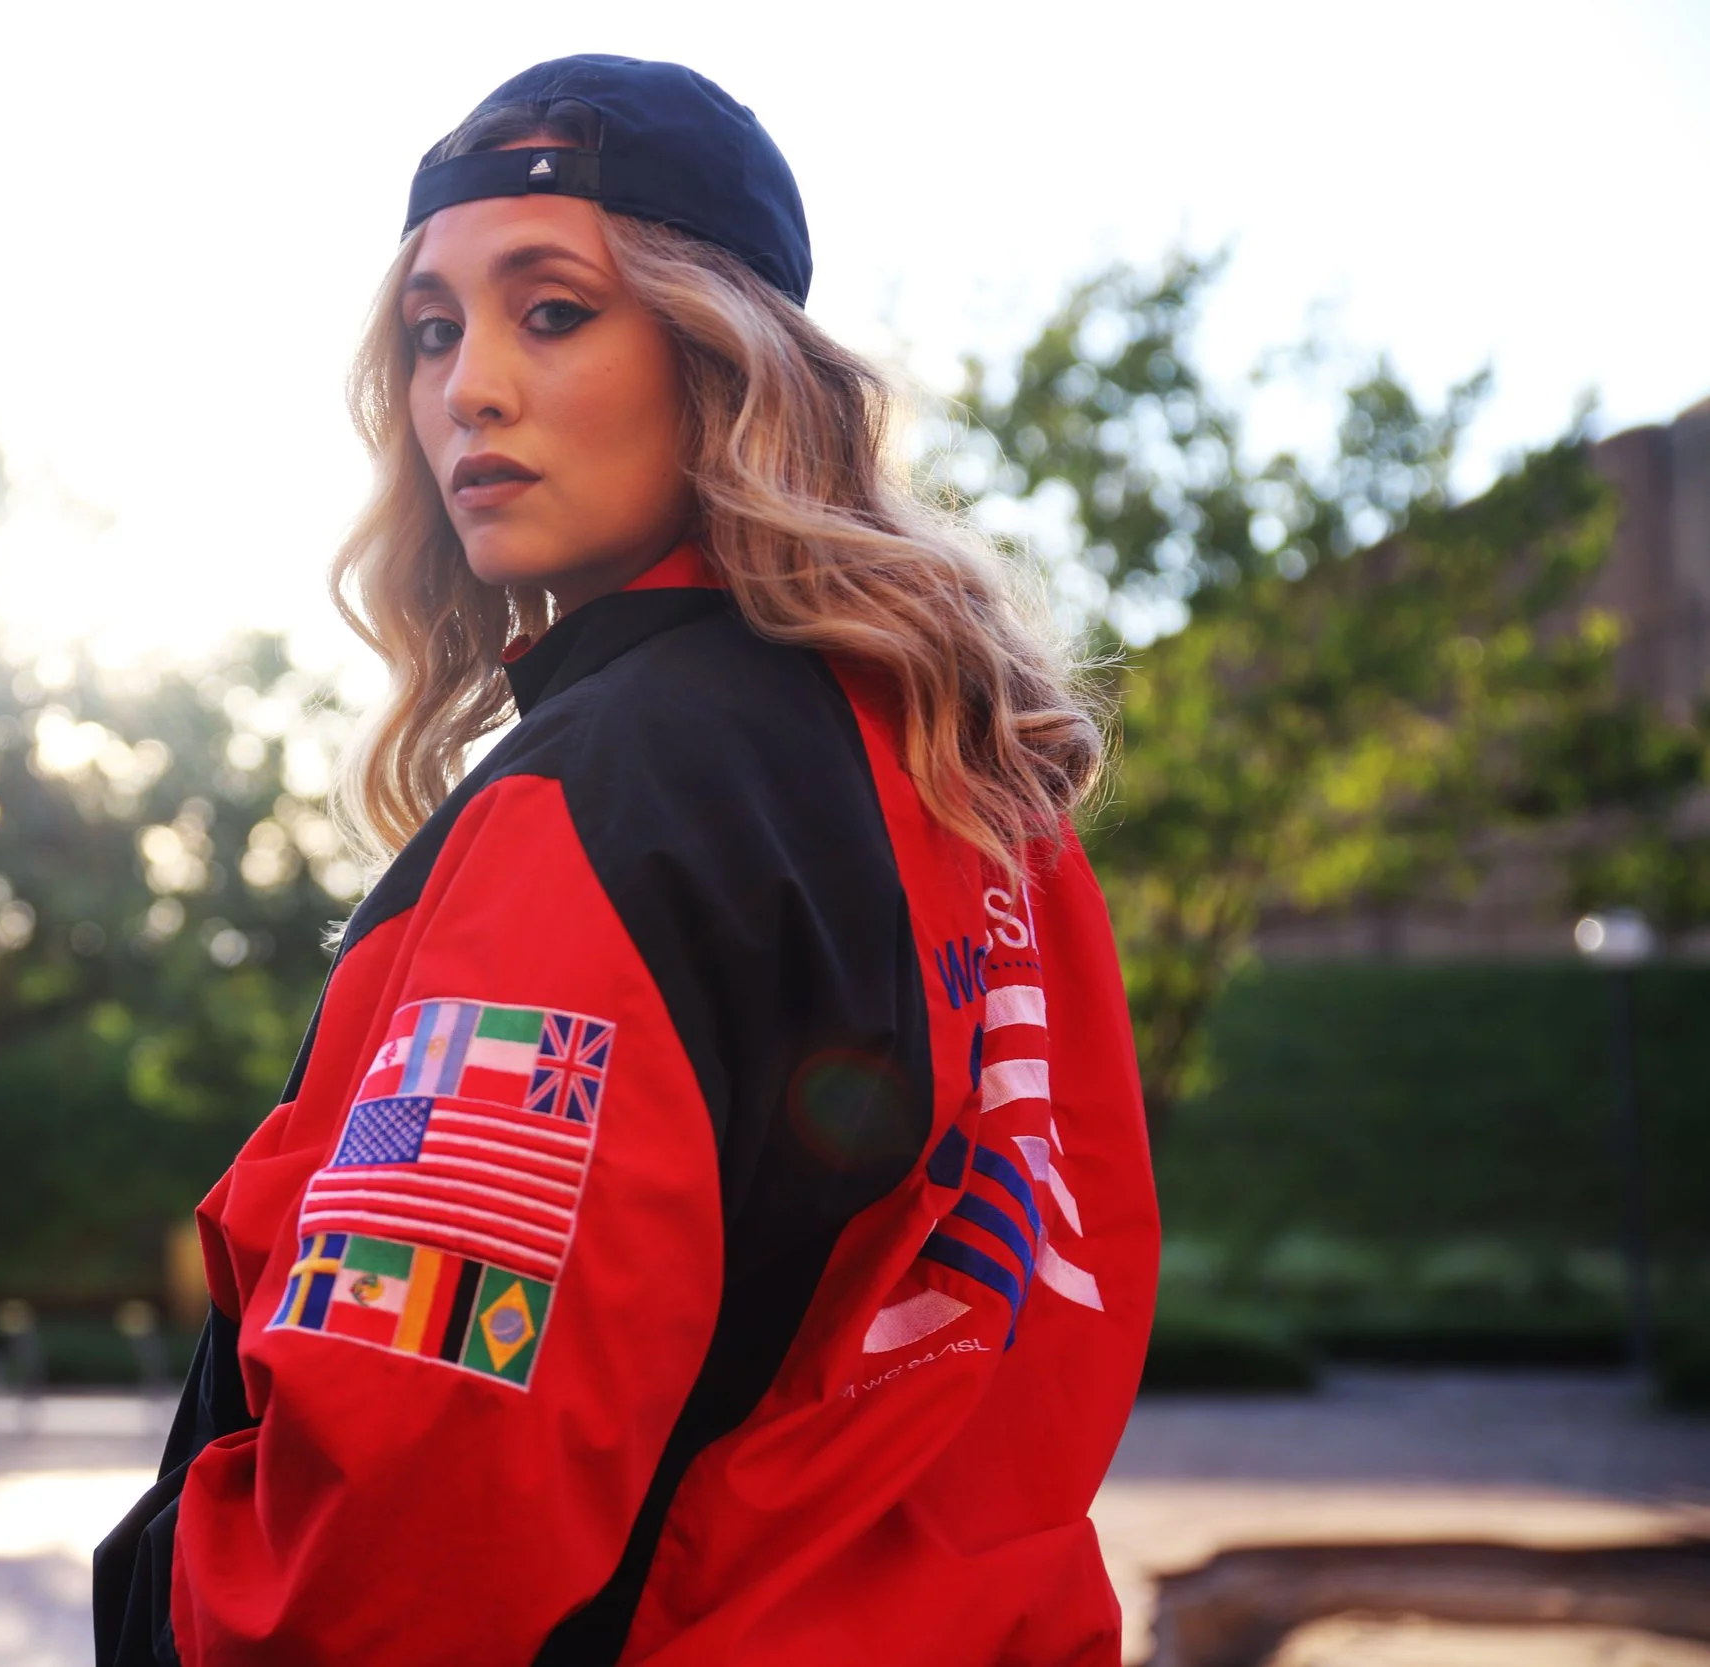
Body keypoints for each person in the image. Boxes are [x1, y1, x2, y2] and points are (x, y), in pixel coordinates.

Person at [97, 54, 1158, 1667]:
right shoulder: (982, 779)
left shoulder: (601, 806)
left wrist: (167, 1601)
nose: (469, 389)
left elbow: (406, 1528)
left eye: (553, 311)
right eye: (433, 330)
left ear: (726, 355)